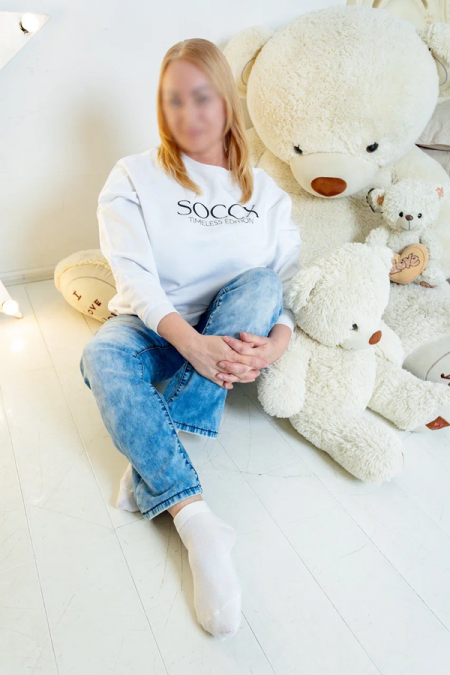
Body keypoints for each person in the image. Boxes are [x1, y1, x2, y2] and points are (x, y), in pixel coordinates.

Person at [79, 37, 302, 641]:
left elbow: (285, 285)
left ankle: (151, 461)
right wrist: (190, 344)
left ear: (226, 101)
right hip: (154, 326)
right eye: (173, 100)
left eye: (201, 97)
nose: (187, 113)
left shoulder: (267, 194)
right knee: (101, 354)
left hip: (231, 327)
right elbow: (132, 275)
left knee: (259, 284)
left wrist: (278, 343)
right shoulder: (134, 175)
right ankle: (195, 518)